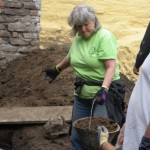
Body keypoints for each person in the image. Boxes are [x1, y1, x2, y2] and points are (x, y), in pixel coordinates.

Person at [44, 3, 125, 150]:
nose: (82, 29)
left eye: (86, 24)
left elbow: (111, 67)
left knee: (99, 138)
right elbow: (71, 57)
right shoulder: (79, 38)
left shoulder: (104, 37)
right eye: (78, 26)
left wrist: (104, 89)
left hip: (103, 96)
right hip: (82, 95)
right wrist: (57, 69)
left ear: (94, 20)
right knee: (77, 135)